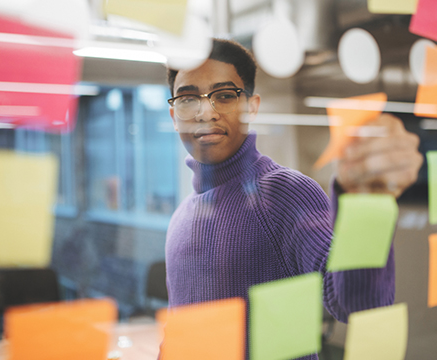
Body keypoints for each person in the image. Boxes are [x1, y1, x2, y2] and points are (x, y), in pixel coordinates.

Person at [164, 38, 423, 358]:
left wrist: (366, 205)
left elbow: (357, 305)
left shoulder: (283, 193)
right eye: (188, 99)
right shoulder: (182, 216)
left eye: (225, 95)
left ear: (252, 107)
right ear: (174, 115)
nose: (206, 112)